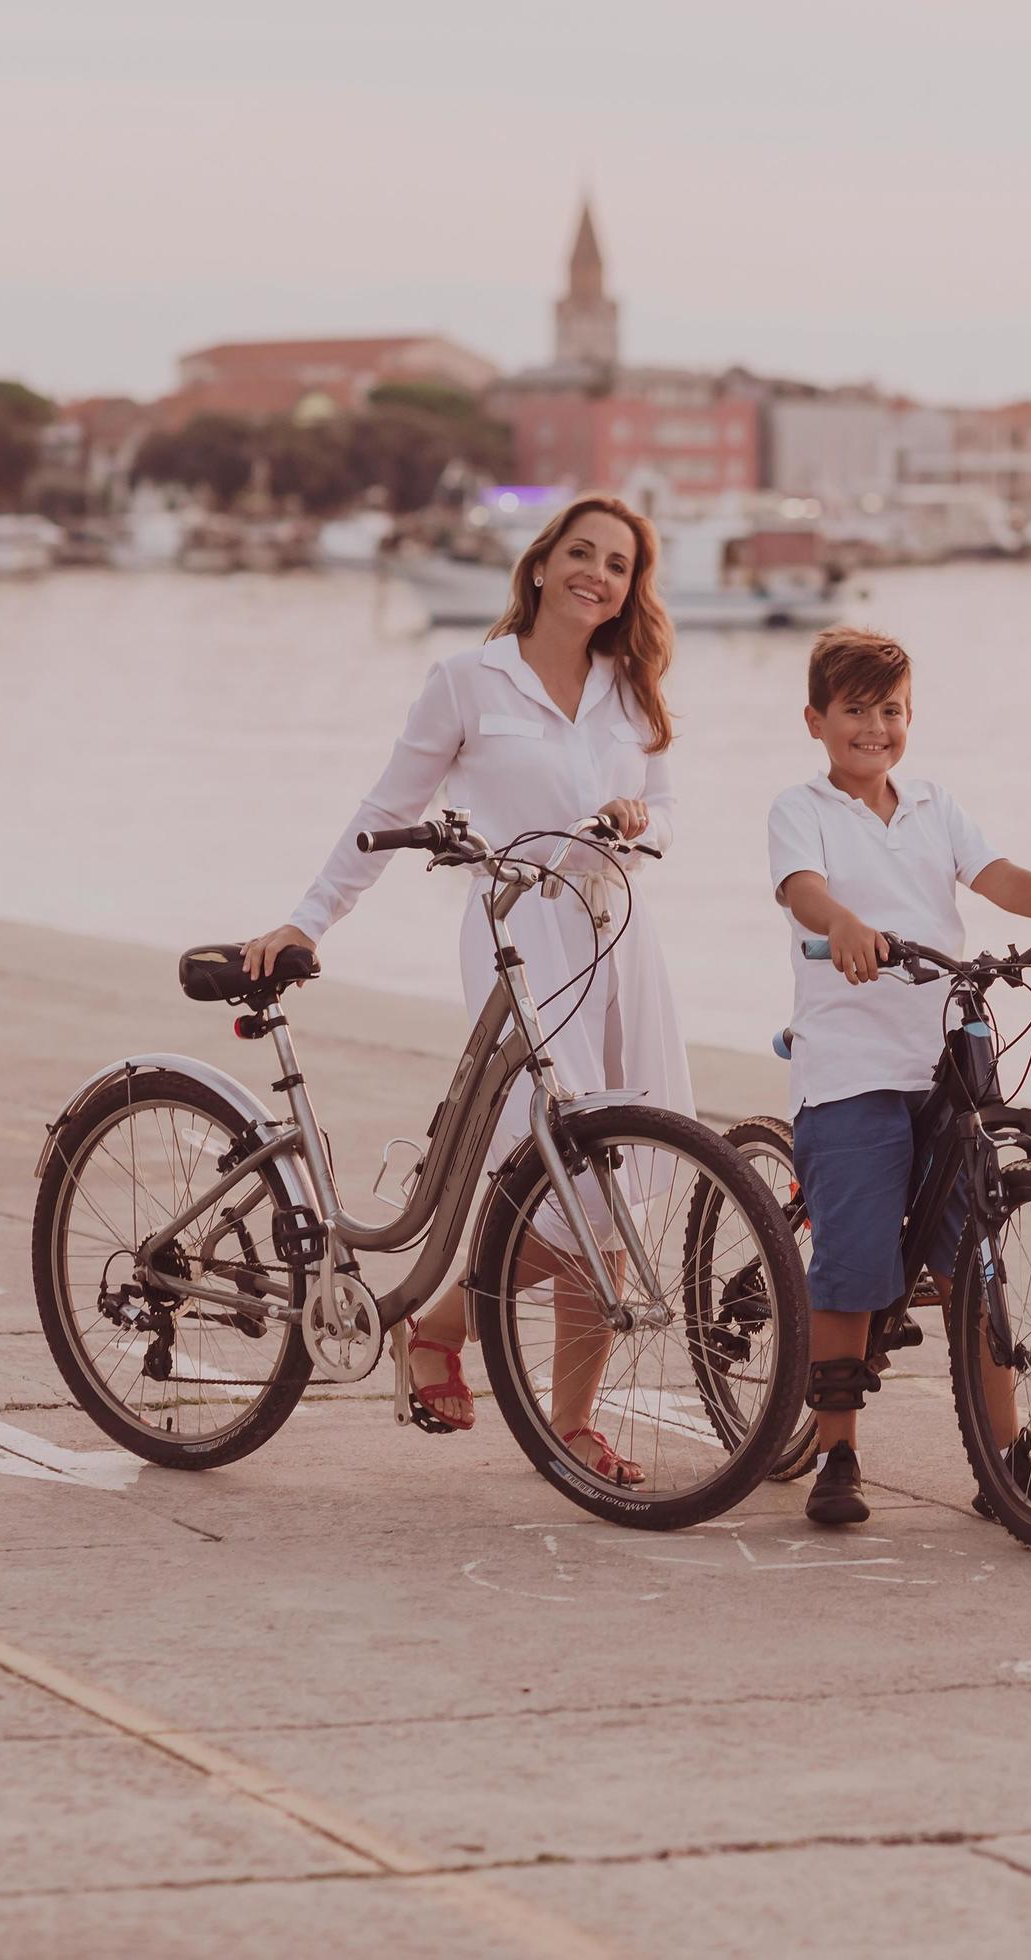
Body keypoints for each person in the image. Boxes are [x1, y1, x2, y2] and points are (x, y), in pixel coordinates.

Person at [238, 492, 687, 1487]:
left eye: (618, 565)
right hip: (521, 934)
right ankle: (445, 1332)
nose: (598, 575)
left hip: (620, 936)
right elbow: (385, 808)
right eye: (582, 553)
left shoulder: (632, 688)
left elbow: (665, 819)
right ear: (539, 565)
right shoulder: (465, 681)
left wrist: (632, 815)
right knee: (569, 1180)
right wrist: (308, 921)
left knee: (618, 1193)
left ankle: (548, 1408)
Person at [769, 627, 1031, 1528]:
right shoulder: (801, 807)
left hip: (942, 1054)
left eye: (890, 711)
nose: (874, 727)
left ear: (910, 719)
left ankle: (1003, 1460)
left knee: (980, 1261)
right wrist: (845, 924)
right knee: (851, 1266)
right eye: (854, 710)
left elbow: (996, 875)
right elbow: (801, 887)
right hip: (852, 1062)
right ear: (817, 721)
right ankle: (837, 1452)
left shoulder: (933, 803)